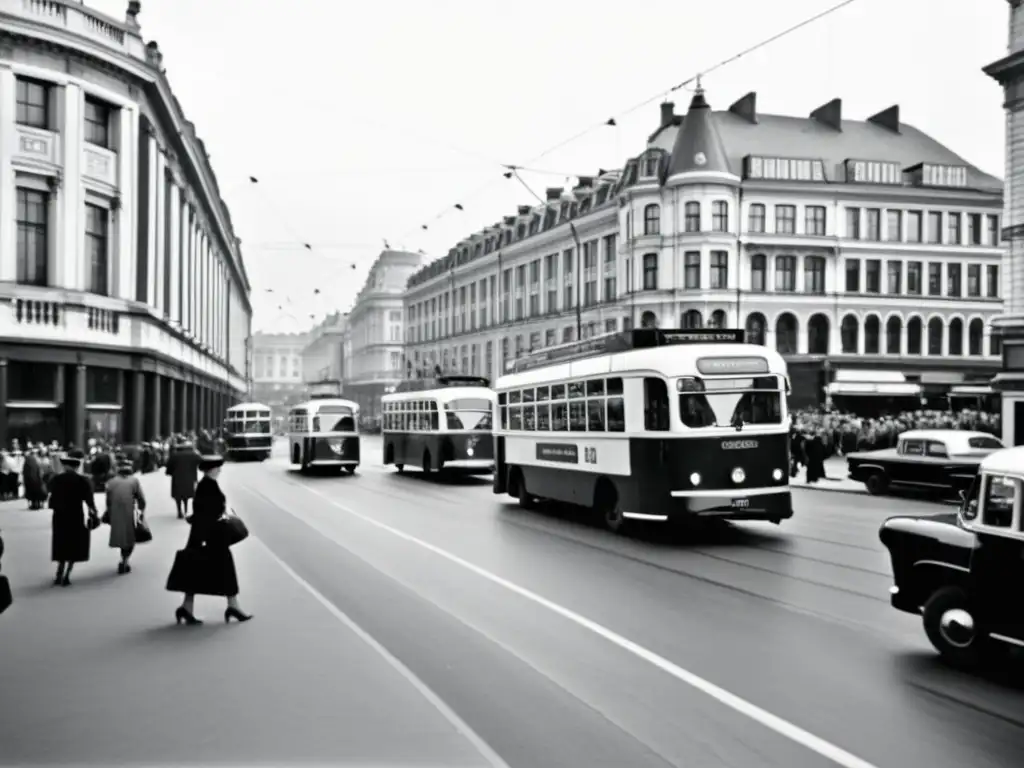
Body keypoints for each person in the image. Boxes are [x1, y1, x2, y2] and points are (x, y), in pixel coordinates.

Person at [171, 455, 251, 625]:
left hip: (204, 536)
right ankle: (232, 606)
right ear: (212, 469)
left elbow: (201, 512)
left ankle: (187, 607)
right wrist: (222, 514)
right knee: (224, 570)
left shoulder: (205, 485)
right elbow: (209, 513)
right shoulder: (208, 486)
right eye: (218, 468)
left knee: (194, 571)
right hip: (212, 537)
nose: (220, 470)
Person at [48, 452, 98, 586]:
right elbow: (89, 500)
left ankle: (59, 572)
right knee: (74, 544)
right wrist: (94, 512)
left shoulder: (56, 480)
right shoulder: (82, 480)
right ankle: (67, 575)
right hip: (76, 515)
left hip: (60, 517)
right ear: (76, 467)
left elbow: (51, 501)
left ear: (65, 467)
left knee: (61, 543)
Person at [105, 456, 146, 574]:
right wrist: (142, 511)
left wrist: (109, 512)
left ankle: (124, 558)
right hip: (129, 512)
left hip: (115, 513)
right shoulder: (134, 481)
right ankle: (125, 560)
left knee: (121, 537)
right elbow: (141, 499)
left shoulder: (111, 482)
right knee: (130, 538)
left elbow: (108, 500)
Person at [166, 441, 201, 519]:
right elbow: (200, 461)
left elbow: (168, 465)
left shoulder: (174, 455)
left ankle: (179, 511)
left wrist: (169, 472)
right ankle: (185, 509)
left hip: (177, 478)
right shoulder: (193, 454)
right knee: (186, 494)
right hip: (190, 478)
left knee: (178, 495)